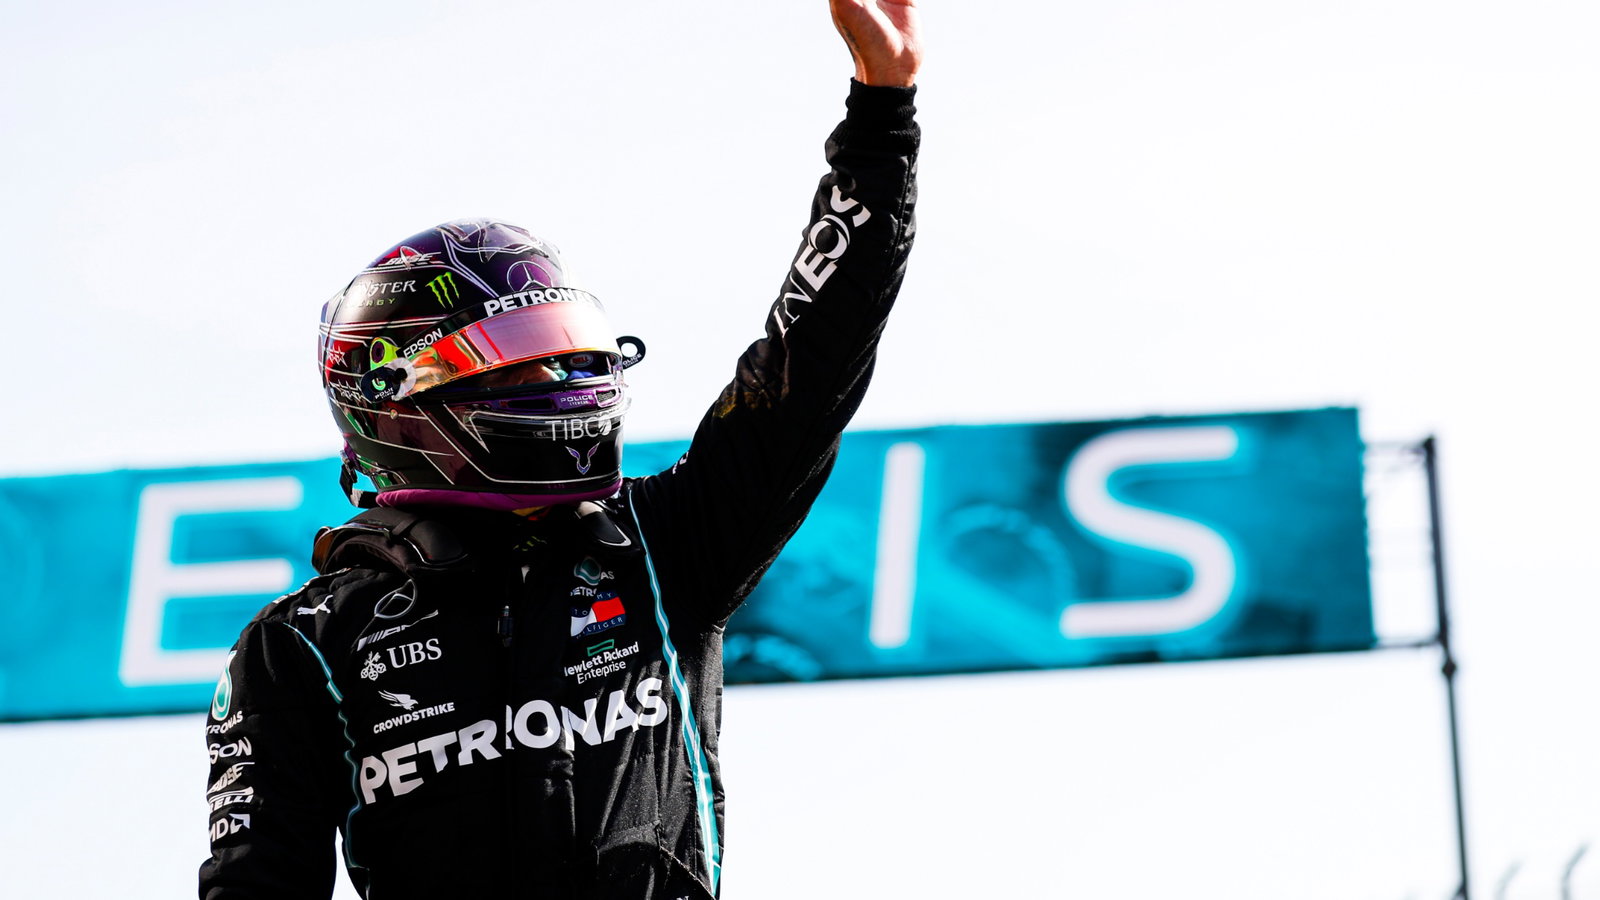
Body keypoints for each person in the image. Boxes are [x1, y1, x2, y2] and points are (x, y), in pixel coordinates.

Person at [198, 1, 920, 897]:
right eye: (518, 369)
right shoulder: (300, 645)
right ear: (404, 409)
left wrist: (883, 116)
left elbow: (811, 367)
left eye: (569, 358)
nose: (563, 393)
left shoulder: (665, 548)